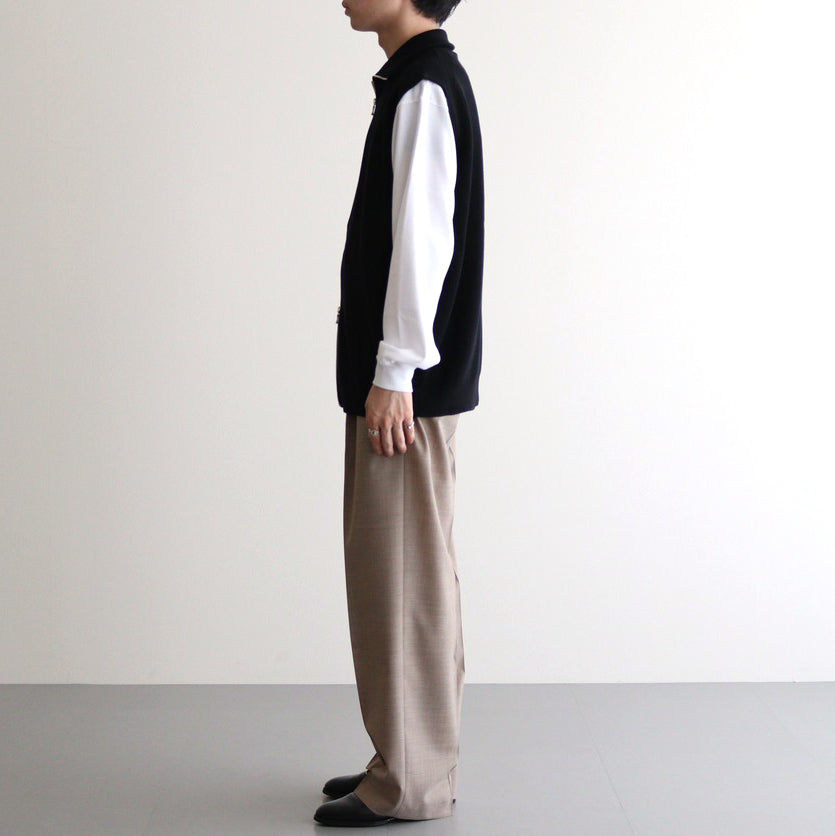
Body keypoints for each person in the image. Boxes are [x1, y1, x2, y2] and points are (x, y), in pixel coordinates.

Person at [314, 0, 484, 826]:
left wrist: (396, 370)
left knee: (404, 585)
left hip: (401, 392)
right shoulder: (414, 82)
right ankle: (403, 757)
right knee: (399, 578)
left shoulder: (424, 87)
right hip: (397, 385)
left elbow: (423, 240)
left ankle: (411, 783)